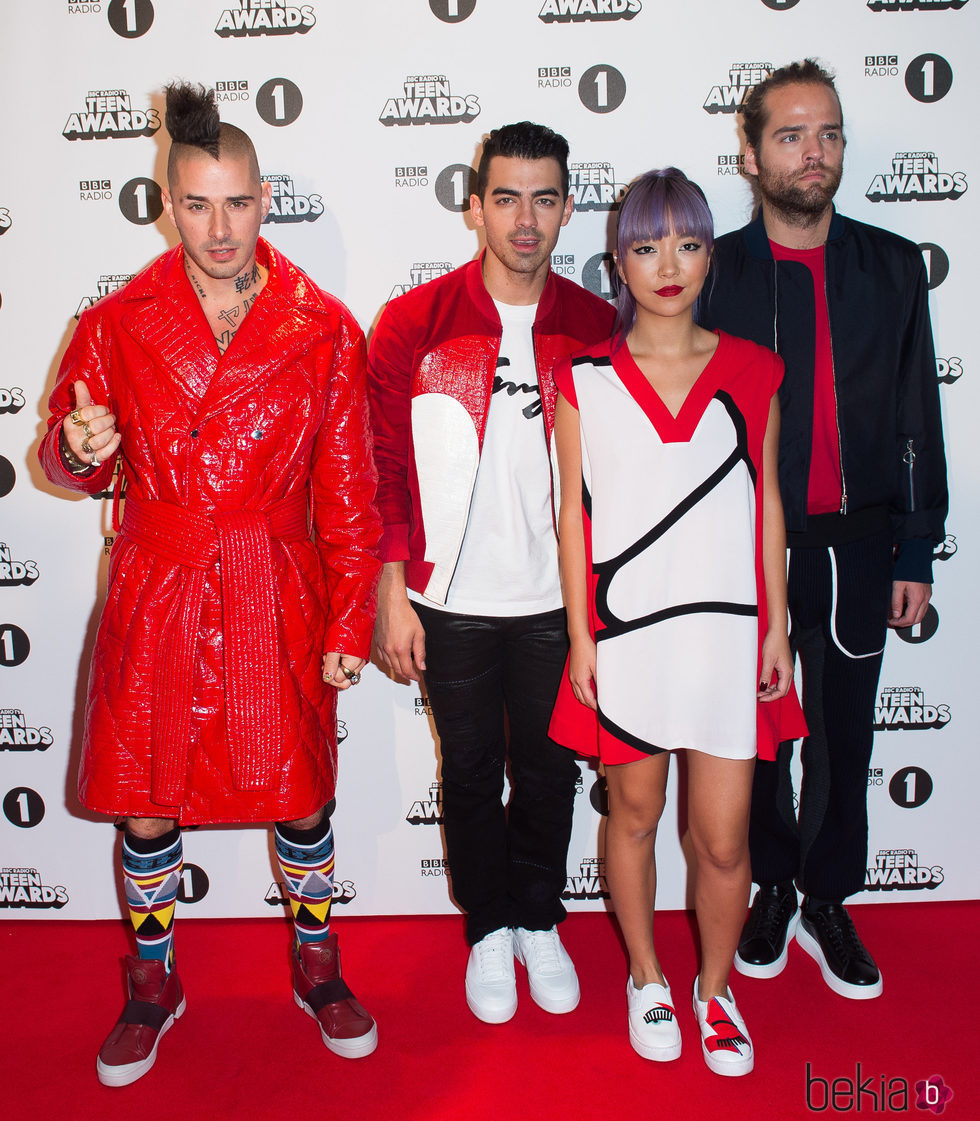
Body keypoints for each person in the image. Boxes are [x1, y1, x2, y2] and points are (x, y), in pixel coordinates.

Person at [39, 83, 382, 1085]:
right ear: (166, 205)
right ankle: (153, 981)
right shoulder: (115, 321)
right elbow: (75, 460)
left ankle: (315, 961)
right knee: (147, 803)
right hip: (159, 580)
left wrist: (351, 612)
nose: (218, 227)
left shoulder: (322, 326)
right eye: (196, 204)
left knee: (300, 796)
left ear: (264, 197)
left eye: (235, 202)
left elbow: (350, 491)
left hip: (275, 581)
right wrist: (74, 445)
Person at [549, 168, 806, 1076]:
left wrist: (774, 627)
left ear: (708, 255)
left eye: (688, 244)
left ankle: (716, 987)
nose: (669, 265)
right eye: (647, 245)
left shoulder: (755, 367)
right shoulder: (584, 378)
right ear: (619, 258)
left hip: (727, 631)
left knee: (726, 836)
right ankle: (649, 977)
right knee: (633, 811)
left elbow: (766, 502)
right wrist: (583, 636)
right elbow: (572, 514)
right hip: (629, 634)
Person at [701, 59, 947, 999]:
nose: (815, 153)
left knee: (846, 735)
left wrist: (917, 544)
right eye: (793, 135)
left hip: (858, 544)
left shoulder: (889, 266)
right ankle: (769, 884)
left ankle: (829, 897)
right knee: (763, 734)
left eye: (830, 133)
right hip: (746, 550)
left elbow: (918, 412)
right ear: (752, 151)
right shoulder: (714, 270)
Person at [367, 122, 615, 1024]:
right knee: (469, 768)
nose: (524, 218)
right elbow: (383, 466)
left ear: (567, 208)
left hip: (560, 603)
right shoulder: (414, 323)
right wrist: (392, 593)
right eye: (505, 196)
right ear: (474, 206)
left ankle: (538, 916)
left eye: (544, 197)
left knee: (549, 773)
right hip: (449, 603)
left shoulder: (597, 328)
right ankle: (486, 929)